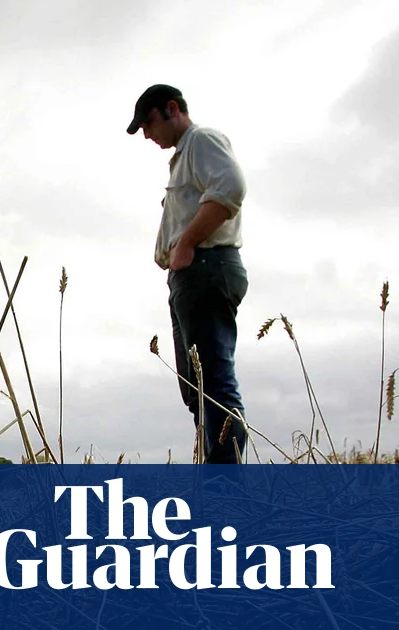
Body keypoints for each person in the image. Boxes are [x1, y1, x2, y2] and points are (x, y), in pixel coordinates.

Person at [126, 84, 249, 464]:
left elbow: (231, 187)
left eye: (148, 124)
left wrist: (186, 243)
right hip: (191, 276)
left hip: (207, 268)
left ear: (171, 108)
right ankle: (213, 477)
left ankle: (225, 492)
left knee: (213, 385)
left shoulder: (202, 140)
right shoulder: (182, 158)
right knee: (197, 389)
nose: (147, 134)